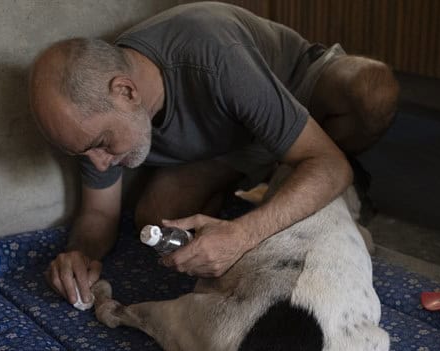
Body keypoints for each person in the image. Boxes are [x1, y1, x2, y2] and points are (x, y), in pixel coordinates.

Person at [29, 1, 399, 306]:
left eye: (101, 144)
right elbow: (98, 213)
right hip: (232, 146)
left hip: (291, 89)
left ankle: (299, 168)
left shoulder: (215, 56)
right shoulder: (91, 116)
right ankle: (278, 178)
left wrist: (243, 234)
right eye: (83, 151)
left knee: (372, 94)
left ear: (126, 91)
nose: (99, 163)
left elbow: (332, 167)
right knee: (157, 222)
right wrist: (79, 253)